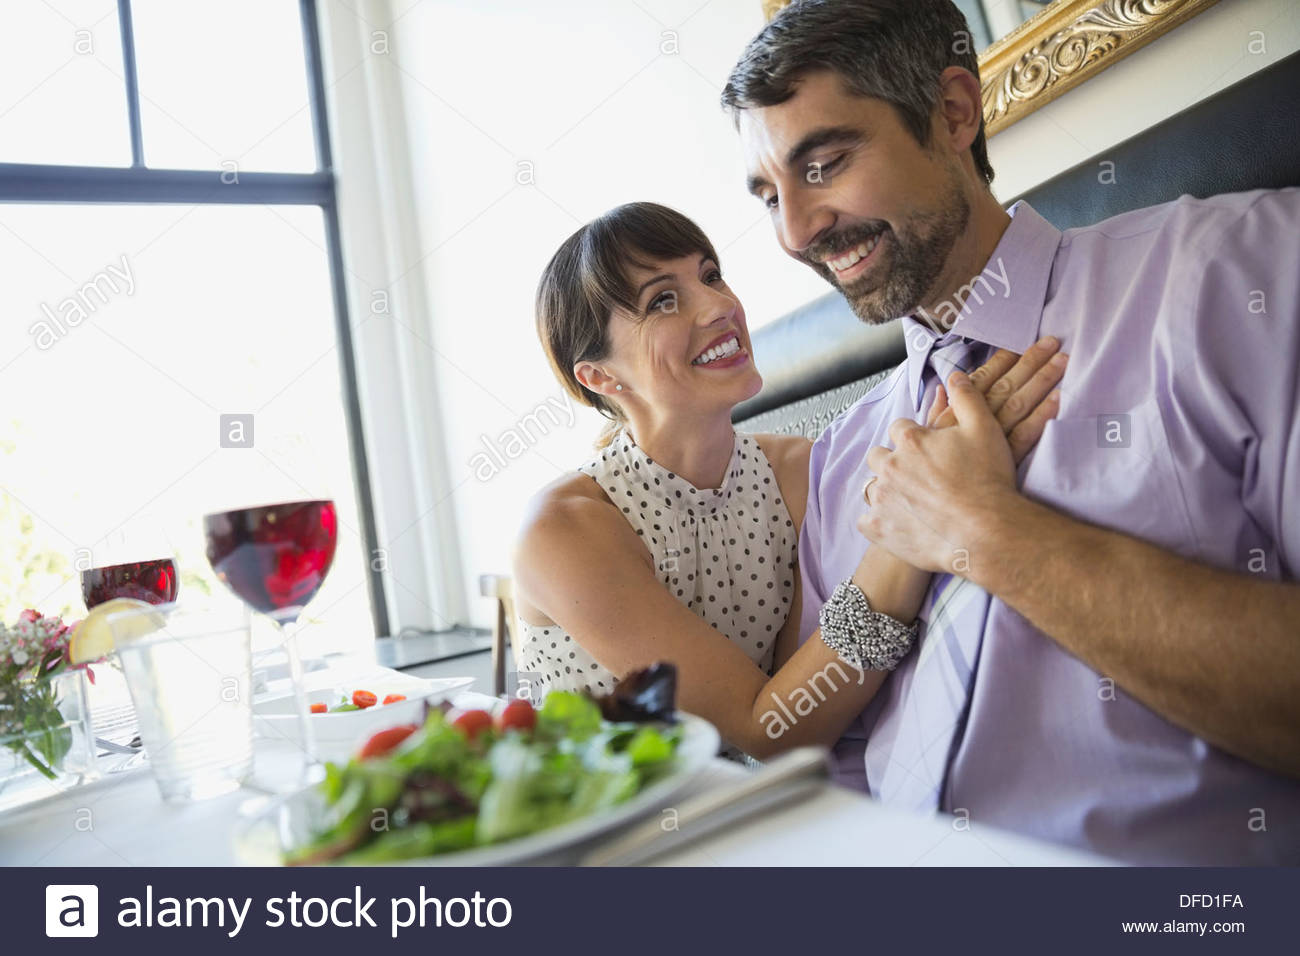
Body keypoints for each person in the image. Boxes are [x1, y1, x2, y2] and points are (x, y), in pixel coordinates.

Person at [722, 0, 1300, 864]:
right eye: (770, 195)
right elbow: (818, 744)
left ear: (954, 112)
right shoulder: (844, 454)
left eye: (827, 163)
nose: (797, 232)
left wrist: (982, 530)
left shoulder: (1235, 271)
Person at [512, 201, 1065, 759]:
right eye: (663, 300)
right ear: (599, 376)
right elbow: (766, 731)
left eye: (710, 275)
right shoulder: (564, 530)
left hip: (757, 807)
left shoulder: (798, 471)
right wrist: (910, 530)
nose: (720, 305)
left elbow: (801, 690)